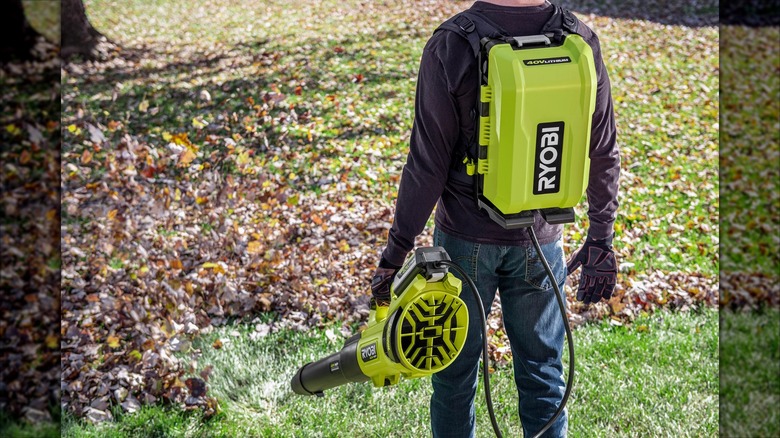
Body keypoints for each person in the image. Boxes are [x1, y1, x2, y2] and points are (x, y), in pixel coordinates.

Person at [370, 0, 620, 437]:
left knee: (453, 379)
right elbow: (603, 151)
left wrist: (395, 252)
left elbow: (426, 165)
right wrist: (600, 239)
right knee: (543, 375)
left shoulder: (451, 43)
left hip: (463, 244)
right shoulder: (578, 38)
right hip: (542, 241)